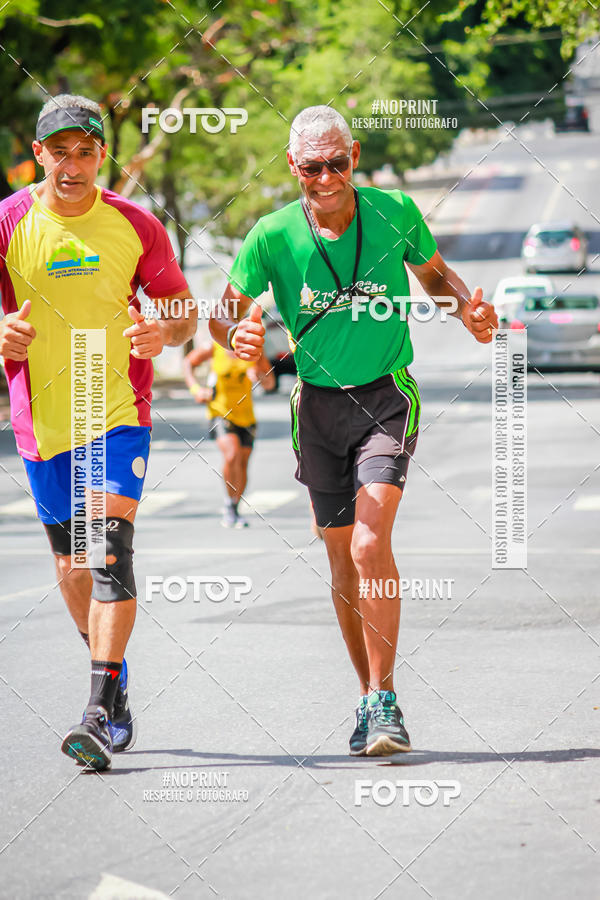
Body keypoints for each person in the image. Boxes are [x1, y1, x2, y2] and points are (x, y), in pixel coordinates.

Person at [210, 105, 498, 757]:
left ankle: (386, 698)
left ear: (355, 156)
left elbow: (435, 277)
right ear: (294, 167)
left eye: (337, 162)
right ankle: (369, 698)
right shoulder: (271, 235)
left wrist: (469, 314)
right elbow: (221, 320)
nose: (327, 177)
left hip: (385, 396)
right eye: (313, 166)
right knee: (341, 558)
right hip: (315, 407)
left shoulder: (393, 210)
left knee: (370, 545)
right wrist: (240, 333)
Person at [0, 94, 196, 770]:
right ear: (39, 154)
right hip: (42, 421)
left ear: (102, 156)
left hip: (113, 411)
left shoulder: (136, 225)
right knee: (70, 564)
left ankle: (92, 710)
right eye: (61, 151)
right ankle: (111, 678)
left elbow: (181, 311)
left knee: (106, 551)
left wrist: (164, 330)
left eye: (86, 151)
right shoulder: (9, 223)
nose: (74, 165)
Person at [183, 340, 274, 527]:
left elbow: (270, 383)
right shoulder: (214, 347)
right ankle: (229, 504)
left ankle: (234, 506)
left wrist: (259, 375)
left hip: (247, 417)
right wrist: (196, 389)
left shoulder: (253, 350)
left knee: (242, 463)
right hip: (220, 413)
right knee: (232, 454)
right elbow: (188, 363)